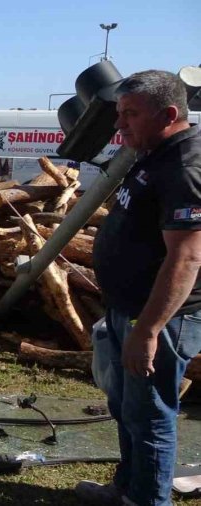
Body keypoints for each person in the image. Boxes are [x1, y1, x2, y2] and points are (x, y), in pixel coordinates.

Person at [79, 70, 201, 506]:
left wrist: (148, 330)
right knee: (126, 409)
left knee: (150, 417)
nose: (119, 124)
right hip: (128, 307)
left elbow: (186, 258)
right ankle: (126, 489)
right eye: (118, 114)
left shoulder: (185, 167)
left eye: (130, 114)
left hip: (158, 318)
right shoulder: (155, 151)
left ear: (168, 114)